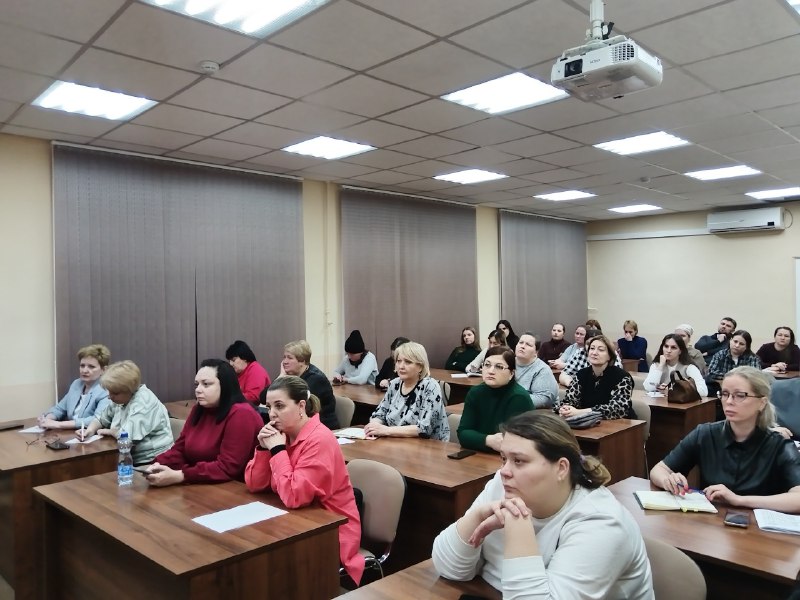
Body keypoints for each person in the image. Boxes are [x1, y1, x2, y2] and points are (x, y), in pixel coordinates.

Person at [432, 412, 653, 599]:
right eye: (504, 458)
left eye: (519, 461)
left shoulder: (601, 522)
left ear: (561, 468)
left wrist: (518, 527)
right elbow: (449, 568)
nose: (504, 471)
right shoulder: (504, 484)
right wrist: (476, 515)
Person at [245, 376, 365, 584]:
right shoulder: (282, 434)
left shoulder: (320, 439)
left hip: (330, 531)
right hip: (294, 520)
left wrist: (277, 450)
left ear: (301, 406)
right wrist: (264, 449)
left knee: (267, 567)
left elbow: (294, 496)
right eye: (269, 407)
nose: (272, 414)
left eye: (280, 406)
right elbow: (255, 485)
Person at [650, 366, 800, 514]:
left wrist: (739, 500)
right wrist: (668, 480)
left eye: (740, 395)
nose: (729, 401)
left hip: (757, 526)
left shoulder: (780, 445)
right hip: (711, 523)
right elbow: (658, 470)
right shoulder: (705, 434)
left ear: (762, 402)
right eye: (725, 394)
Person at [144, 359, 263, 486]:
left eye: (206, 384)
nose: (198, 390)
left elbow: (228, 468)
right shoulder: (199, 409)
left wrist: (181, 475)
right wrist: (157, 464)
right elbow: (180, 450)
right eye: (197, 384)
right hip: (201, 483)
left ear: (225, 385)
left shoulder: (241, 414)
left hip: (234, 488)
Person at [77, 360, 173, 465]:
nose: (109, 397)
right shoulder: (121, 397)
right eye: (109, 391)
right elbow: (102, 418)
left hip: (153, 461)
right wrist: (90, 430)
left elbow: (127, 438)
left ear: (129, 389)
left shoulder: (143, 402)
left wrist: (111, 431)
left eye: (114, 393)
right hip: (126, 456)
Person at [364, 341, 449, 441]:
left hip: (428, 445)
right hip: (396, 441)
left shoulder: (430, 386)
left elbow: (424, 428)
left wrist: (386, 430)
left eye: (408, 362)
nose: (401, 366)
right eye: (398, 361)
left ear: (420, 366)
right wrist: (374, 426)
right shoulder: (394, 384)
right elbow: (380, 414)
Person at [457, 346, 533, 452]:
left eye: (499, 367)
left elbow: (513, 443)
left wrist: (477, 439)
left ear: (511, 373)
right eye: (487, 365)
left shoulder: (519, 398)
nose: (491, 371)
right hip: (479, 455)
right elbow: (463, 433)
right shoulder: (475, 392)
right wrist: (488, 440)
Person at [555, 334, 635, 420]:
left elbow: (618, 408)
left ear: (610, 356)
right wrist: (565, 409)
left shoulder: (622, 377)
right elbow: (570, 400)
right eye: (592, 348)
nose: (594, 353)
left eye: (601, 350)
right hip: (587, 422)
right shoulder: (581, 374)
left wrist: (580, 412)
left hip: (620, 423)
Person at [38, 343, 111, 430]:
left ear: (103, 370)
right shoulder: (77, 384)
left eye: (91, 367)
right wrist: (47, 419)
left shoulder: (106, 389)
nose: (84, 370)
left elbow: (97, 420)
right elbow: (60, 408)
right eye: (82, 366)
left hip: (91, 435)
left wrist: (58, 424)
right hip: (71, 433)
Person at [280, 340, 339, 429]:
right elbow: (263, 397)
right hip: (301, 423)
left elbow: (297, 405)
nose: (284, 361)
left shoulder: (316, 379)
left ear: (302, 361)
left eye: (290, 358)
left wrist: (282, 380)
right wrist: (280, 377)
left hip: (322, 427)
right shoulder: (291, 375)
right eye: (284, 357)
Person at [643, 334, 708, 397]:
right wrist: (660, 366)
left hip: (681, 403)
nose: (668, 351)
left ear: (680, 351)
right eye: (666, 346)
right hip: (659, 402)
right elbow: (649, 388)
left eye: (673, 348)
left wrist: (674, 391)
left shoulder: (689, 367)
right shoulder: (656, 365)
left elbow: (704, 391)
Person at [558, 328, 623, 387]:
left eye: (600, 349)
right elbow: (564, 374)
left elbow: (617, 379)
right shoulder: (580, 352)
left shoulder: (611, 353)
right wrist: (572, 384)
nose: (594, 352)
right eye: (590, 345)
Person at [706, 329, 761, 397]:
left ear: (746, 347)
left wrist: (730, 378)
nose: (737, 345)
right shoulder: (720, 354)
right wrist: (735, 378)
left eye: (741, 344)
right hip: (720, 387)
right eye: (735, 341)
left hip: (744, 389)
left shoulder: (753, 358)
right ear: (730, 340)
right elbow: (712, 373)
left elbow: (755, 376)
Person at [513, 333, 558, 409]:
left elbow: (543, 400)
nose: (522, 346)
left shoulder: (542, 369)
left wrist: (511, 399)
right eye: (521, 342)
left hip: (536, 412)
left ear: (536, 352)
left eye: (528, 345)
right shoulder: (507, 362)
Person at [225, 340, 271, 405]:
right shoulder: (237, 372)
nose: (231, 364)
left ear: (244, 358)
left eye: (233, 360)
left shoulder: (256, 370)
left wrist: (228, 398)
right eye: (229, 361)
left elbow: (253, 397)